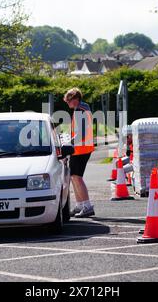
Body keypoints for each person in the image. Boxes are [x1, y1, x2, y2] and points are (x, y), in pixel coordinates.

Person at [63, 88, 95, 218]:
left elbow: (81, 132)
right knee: (73, 176)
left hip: (81, 148)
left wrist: (68, 143)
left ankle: (86, 206)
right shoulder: (82, 108)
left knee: (77, 177)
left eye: (68, 101)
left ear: (74, 99)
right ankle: (80, 205)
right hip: (81, 148)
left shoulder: (80, 110)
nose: (67, 104)